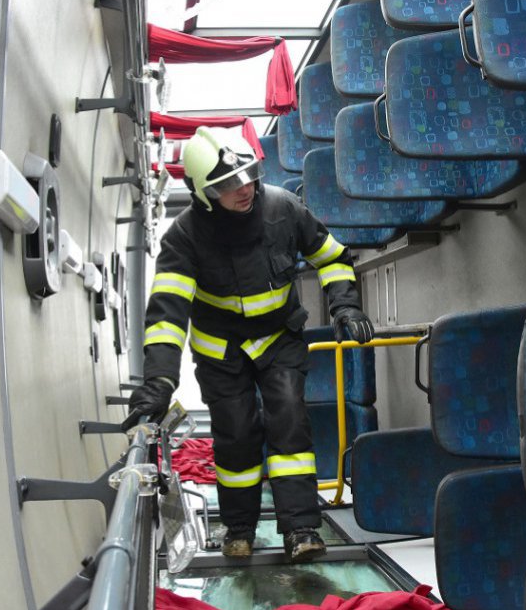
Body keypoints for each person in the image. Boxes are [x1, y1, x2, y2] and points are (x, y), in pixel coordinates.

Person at [123, 126, 374, 563]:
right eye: (226, 184)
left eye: (248, 174)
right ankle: (240, 528)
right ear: (202, 193)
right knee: (235, 433)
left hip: (278, 339)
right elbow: (167, 312)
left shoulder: (284, 209)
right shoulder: (183, 237)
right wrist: (160, 379)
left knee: (290, 421)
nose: (243, 188)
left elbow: (332, 257)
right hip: (222, 352)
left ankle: (301, 529)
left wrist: (344, 306)